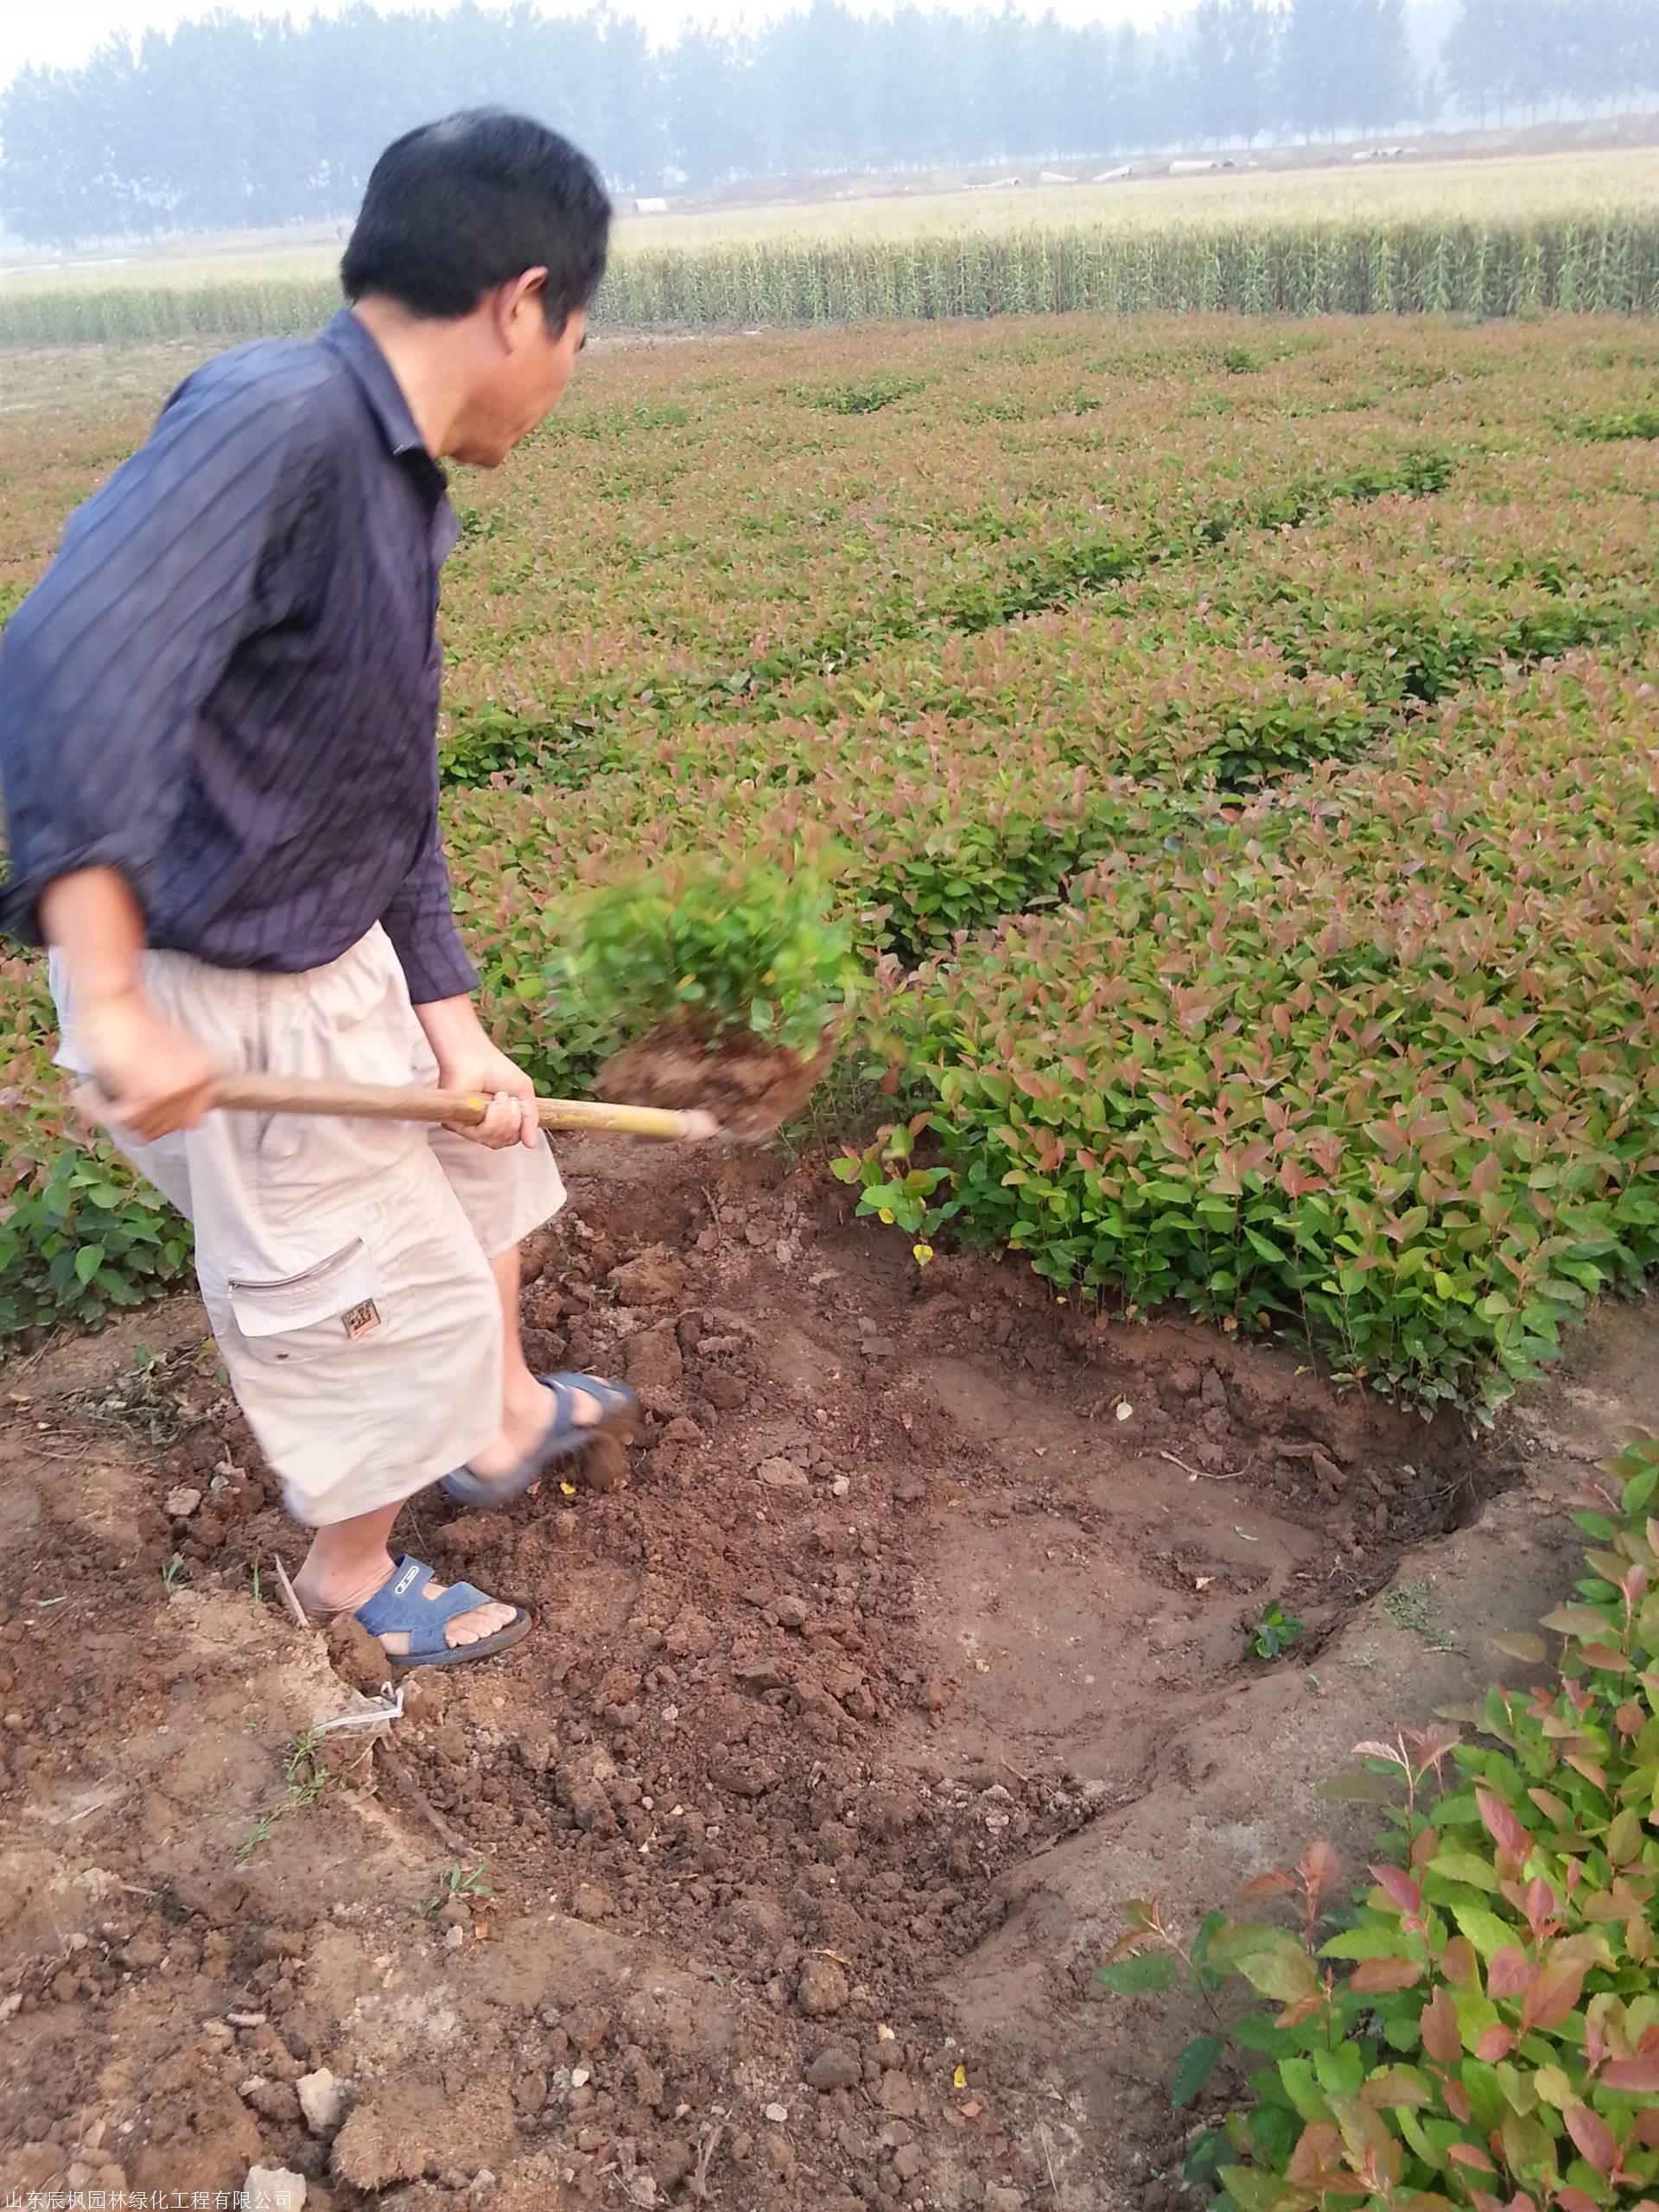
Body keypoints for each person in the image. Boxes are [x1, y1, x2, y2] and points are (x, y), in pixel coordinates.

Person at [0, 111, 639, 1671]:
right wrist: (114, 992)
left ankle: (494, 1420)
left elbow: (381, 786)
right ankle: (349, 1575)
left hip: (331, 946)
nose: (570, 371)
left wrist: (456, 1022)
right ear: (523, 301)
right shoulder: (274, 422)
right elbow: (62, 664)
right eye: (581, 332)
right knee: (355, 1287)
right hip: (218, 988)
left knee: (492, 1171)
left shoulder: (395, 479)